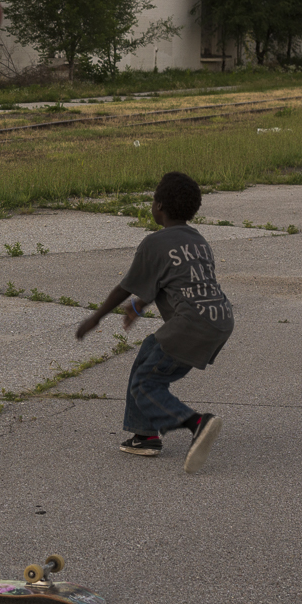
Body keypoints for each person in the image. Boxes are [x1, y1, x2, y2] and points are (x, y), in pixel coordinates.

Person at [74, 172, 232, 472]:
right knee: (149, 351)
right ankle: (144, 435)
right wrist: (140, 304)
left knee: (146, 383)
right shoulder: (198, 240)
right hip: (219, 318)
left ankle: (196, 423)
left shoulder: (154, 242)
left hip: (190, 323)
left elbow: (125, 287)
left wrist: (95, 318)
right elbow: (169, 280)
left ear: (158, 206)